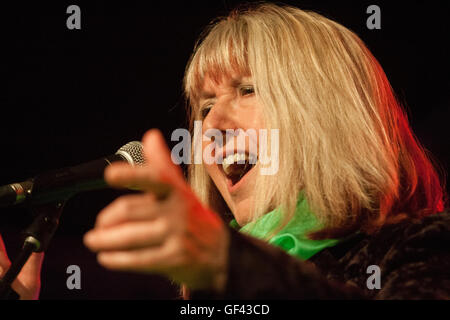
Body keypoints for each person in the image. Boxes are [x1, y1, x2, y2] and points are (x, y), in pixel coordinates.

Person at [1, 2, 449, 299]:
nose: (211, 125)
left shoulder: (423, 249)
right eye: (205, 106)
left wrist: (230, 266)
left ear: (329, 111)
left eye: (248, 89)